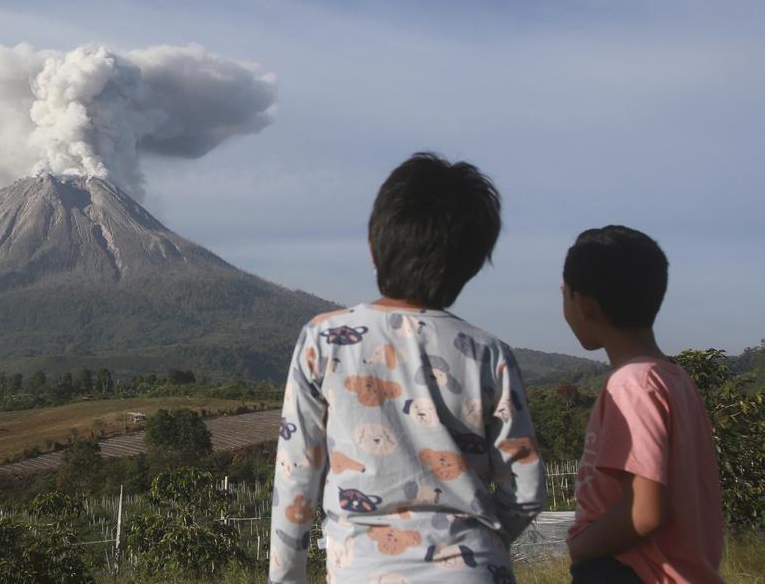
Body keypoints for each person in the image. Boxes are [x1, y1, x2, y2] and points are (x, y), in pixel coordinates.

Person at [270, 152, 545, 584]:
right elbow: (525, 489)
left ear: (373, 244)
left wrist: (286, 578)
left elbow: (296, 478)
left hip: (364, 570)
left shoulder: (324, 340)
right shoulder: (490, 354)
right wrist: (479, 545)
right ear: (473, 262)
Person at [562, 226, 723, 583]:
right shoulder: (673, 379)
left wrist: (580, 546)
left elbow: (644, 511)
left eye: (564, 295)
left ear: (586, 306)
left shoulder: (631, 384)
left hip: (634, 572)